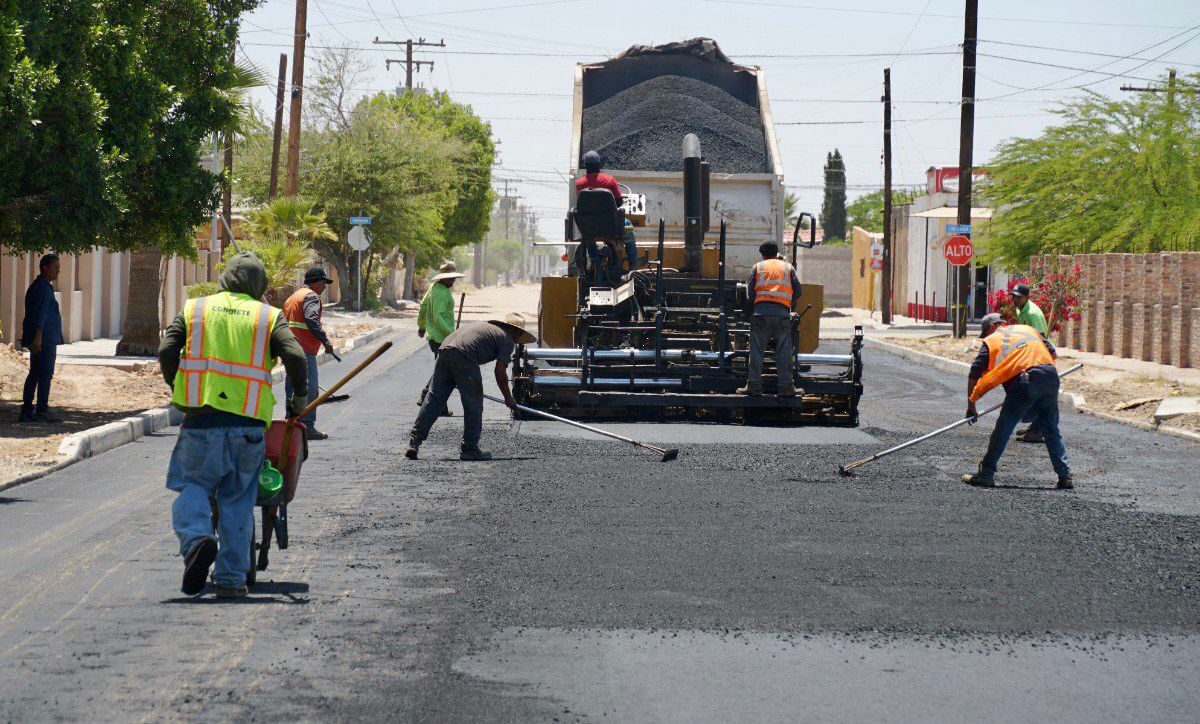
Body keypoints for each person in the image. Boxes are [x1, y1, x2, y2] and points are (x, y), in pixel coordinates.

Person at [158, 252, 310, 598]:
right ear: (259, 285)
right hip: (248, 428)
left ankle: (197, 540)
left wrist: (178, 386)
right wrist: (297, 401)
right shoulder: (268, 316)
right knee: (238, 500)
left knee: (193, 486)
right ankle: (229, 581)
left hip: (201, 422)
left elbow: (168, 349)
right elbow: (297, 358)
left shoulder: (195, 309)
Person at [962, 312, 1073, 490]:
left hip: (1025, 379)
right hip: (1050, 375)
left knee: (1004, 427)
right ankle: (1065, 476)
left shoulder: (993, 339)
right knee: (1051, 428)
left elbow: (974, 372)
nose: (986, 337)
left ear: (992, 327)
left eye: (986, 333)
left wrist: (971, 406)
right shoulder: (1028, 329)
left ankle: (986, 473)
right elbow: (1052, 353)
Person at [405, 313, 536, 462]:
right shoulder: (507, 339)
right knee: (473, 402)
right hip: (464, 354)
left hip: (445, 349)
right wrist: (508, 398)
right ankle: (470, 448)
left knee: (434, 398)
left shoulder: (487, 328)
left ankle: (414, 443)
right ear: (517, 331)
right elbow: (500, 372)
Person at [738, 241, 802, 397]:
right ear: (777, 253)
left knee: (757, 351)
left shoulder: (758, 267)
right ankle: (786, 388)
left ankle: (753, 386)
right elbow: (799, 290)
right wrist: (788, 304)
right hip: (782, 315)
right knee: (784, 351)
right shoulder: (788, 267)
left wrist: (753, 308)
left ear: (762, 254)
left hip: (761, 314)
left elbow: (749, 293)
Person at [282, 267, 336, 440]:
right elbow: (311, 320)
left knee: (292, 388)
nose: (324, 287)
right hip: (304, 349)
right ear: (314, 281)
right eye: (323, 282)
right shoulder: (311, 296)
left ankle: (291, 425)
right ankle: (307, 426)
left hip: (289, 349)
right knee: (310, 390)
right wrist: (325, 341)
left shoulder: (293, 297)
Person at [576, 150, 640, 274]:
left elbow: (582, 204)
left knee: (588, 236)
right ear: (600, 165)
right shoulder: (609, 180)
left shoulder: (580, 184)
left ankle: (595, 261)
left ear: (585, 167)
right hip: (611, 225)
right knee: (629, 228)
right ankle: (633, 264)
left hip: (589, 226)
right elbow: (619, 203)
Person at [19, 254, 64, 423]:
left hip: (39, 338)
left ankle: (26, 410)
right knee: (45, 374)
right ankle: (42, 411)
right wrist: (38, 336)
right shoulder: (44, 288)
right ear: (45, 267)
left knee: (35, 373)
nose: (58, 271)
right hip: (43, 340)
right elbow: (41, 315)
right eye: (55, 267)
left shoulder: (38, 286)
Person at [417, 261, 465, 416]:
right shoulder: (441, 292)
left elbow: (423, 306)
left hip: (435, 336)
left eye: (453, 278)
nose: (452, 281)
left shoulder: (434, 288)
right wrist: (451, 332)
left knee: (442, 370)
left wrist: (422, 325)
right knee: (444, 371)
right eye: (449, 278)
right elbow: (438, 317)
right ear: (442, 277)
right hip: (441, 338)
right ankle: (428, 397)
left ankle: (436, 404)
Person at [1010, 282, 1050, 443]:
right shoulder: (1020, 308)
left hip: (1038, 357)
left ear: (1026, 297)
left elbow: (1040, 339)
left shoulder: (1032, 313)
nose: (1014, 299)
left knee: (1038, 395)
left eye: (1017, 297)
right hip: (1029, 356)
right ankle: (1035, 427)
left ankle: (1038, 430)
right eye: (1013, 296)